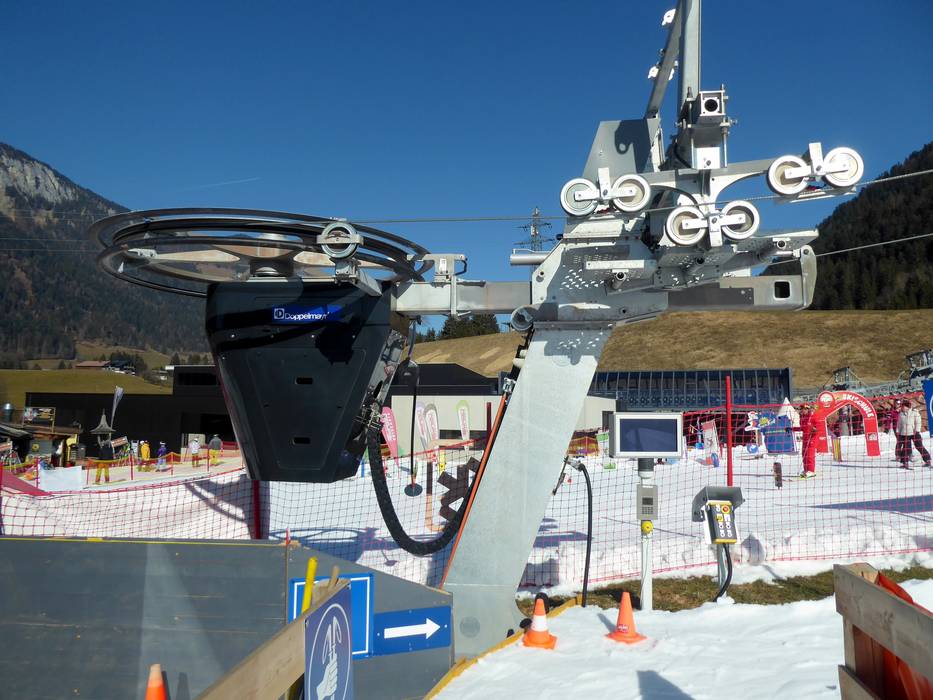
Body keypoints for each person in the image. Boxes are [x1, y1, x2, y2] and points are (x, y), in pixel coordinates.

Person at [896, 399, 931, 469]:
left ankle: (927, 460)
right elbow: (899, 424)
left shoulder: (914, 412)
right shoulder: (901, 414)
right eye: (901, 406)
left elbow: (918, 422)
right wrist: (898, 431)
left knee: (919, 446)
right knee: (906, 448)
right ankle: (905, 463)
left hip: (914, 433)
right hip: (905, 433)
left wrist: (917, 430)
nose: (902, 407)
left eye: (903, 406)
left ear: (907, 406)